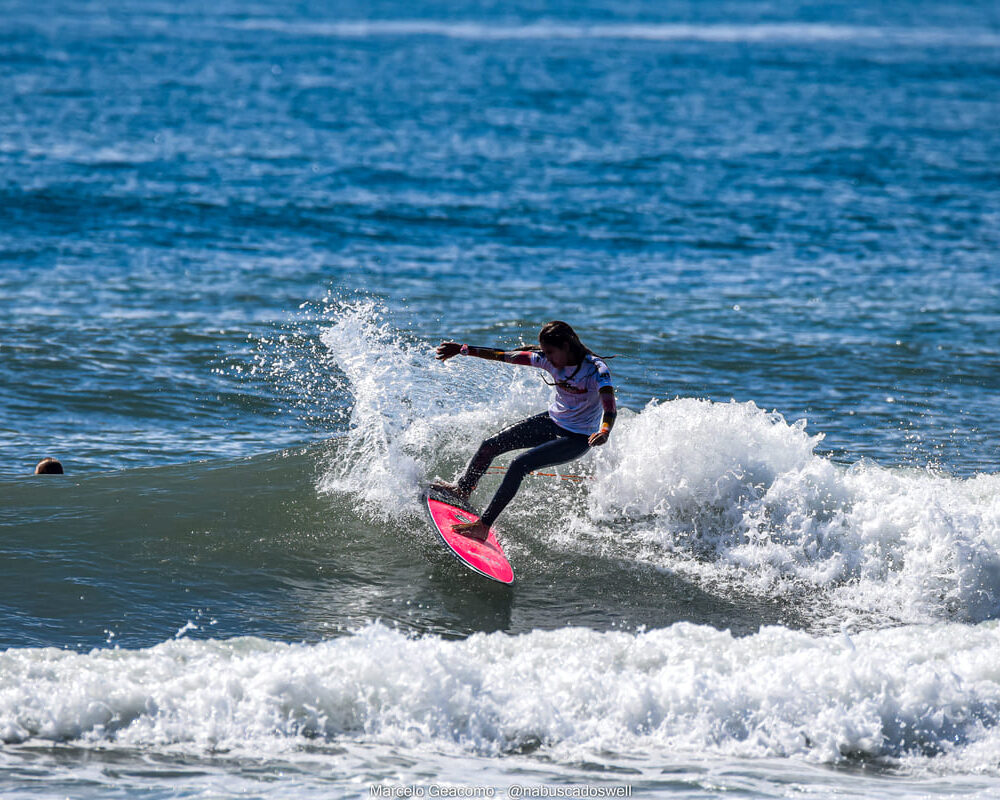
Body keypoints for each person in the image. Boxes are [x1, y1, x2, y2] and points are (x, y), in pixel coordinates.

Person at [434, 320, 616, 540]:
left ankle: (483, 526)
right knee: (490, 446)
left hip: (577, 438)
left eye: (550, 352)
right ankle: (462, 490)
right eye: (544, 352)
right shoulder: (545, 360)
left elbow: (610, 408)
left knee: (519, 465)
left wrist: (604, 431)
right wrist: (463, 350)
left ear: (567, 346)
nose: (546, 357)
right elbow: (501, 355)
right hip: (552, 422)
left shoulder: (596, 370)